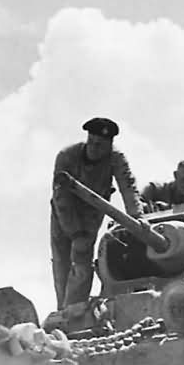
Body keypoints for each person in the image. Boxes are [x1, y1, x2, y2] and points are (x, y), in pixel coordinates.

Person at [50, 117, 141, 309]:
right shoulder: (67, 156)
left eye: (100, 145)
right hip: (64, 213)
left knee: (82, 261)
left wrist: (137, 218)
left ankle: (75, 310)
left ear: (110, 145)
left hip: (92, 213)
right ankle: (62, 311)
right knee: (61, 263)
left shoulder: (116, 158)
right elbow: (61, 197)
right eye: (91, 142)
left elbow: (128, 186)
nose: (94, 148)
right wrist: (75, 232)